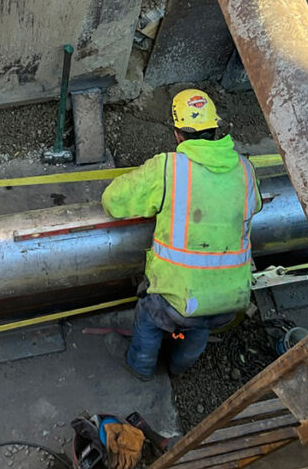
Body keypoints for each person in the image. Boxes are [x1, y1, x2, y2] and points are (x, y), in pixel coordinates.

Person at [101, 89, 262, 380]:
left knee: (149, 321)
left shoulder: (169, 169)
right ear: (215, 128)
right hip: (230, 298)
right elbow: (256, 206)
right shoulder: (245, 169)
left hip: (176, 299)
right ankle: (178, 369)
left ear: (177, 133)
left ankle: (141, 369)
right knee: (198, 329)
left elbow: (113, 200)